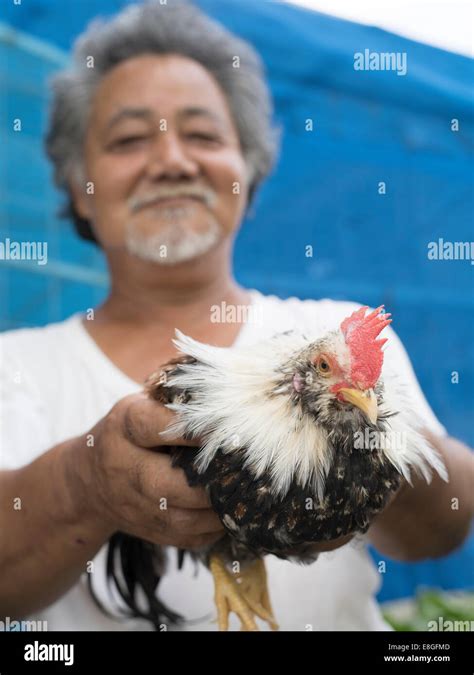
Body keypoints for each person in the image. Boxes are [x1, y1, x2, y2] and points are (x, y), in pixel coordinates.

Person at [0, 0, 472, 632]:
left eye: (202, 134)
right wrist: (82, 483)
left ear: (247, 170)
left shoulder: (338, 326)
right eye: (130, 138)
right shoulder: (15, 366)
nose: (171, 160)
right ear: (77, 181)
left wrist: (382, 451)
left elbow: (442, 527)